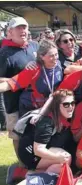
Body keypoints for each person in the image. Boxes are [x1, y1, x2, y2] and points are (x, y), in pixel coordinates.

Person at [6, 89, 75, 185]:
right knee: (66, 159)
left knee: (60, 166)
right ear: (56, 106)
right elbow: (38, 149)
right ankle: (30, 177)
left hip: (39, 151)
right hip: (30, 153)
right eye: (66, 104)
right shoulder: (47, 122)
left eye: (72, 103)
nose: (71, 107)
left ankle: (29, 175)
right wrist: (57, 157)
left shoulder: (61, 117)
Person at [0, 17, 39, 166]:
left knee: (35, 134)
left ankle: (36, 163)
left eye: (24, 27)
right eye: (18, 28)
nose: (22, 31)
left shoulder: (35, 46)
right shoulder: (4, 53)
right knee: (17, 137)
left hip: (35, 102)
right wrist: (18, 79)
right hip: (14, 103)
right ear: (10, 32)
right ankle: (22, 165)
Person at [0, 40, 63, 117]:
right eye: (51, 56)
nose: (55, 58)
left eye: (56, 54)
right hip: (31, 109)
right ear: (42, 56)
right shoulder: (34, 69)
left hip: (48, 108)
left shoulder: (58, 65)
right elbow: (10, 84)